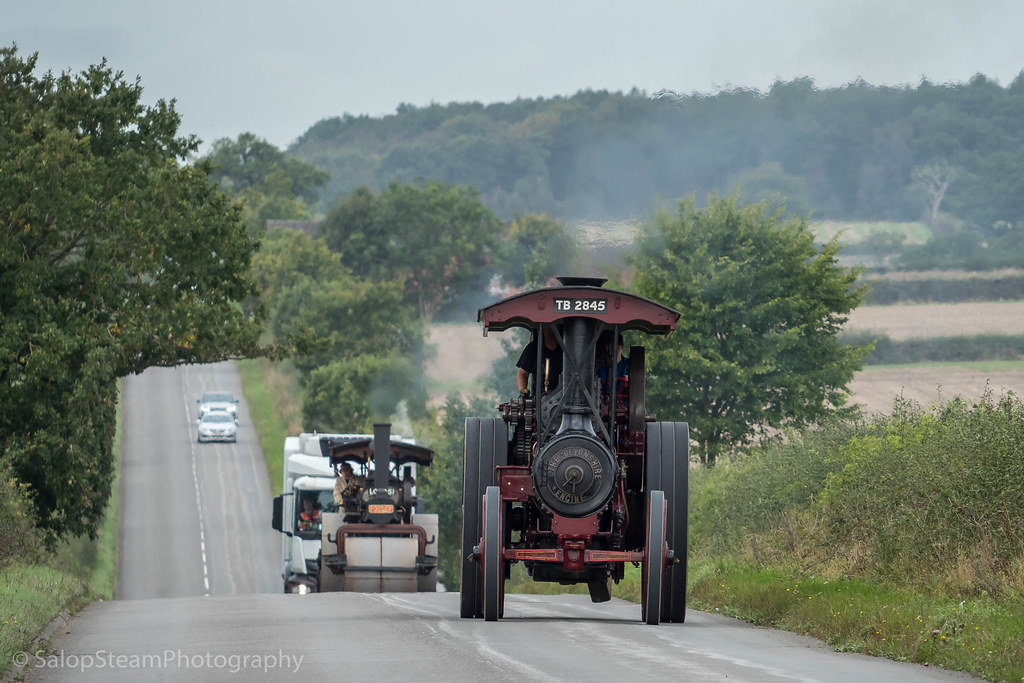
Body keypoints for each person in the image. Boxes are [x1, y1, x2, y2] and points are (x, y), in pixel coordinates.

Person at [516, 325, 563, 396]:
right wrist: (523, 393)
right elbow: (522, 373)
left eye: (555, 326)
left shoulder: (568, 349)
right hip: (539, 400)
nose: (551, 330)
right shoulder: (532, 349)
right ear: (542, 329)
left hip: (565, 397)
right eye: (549, 326)